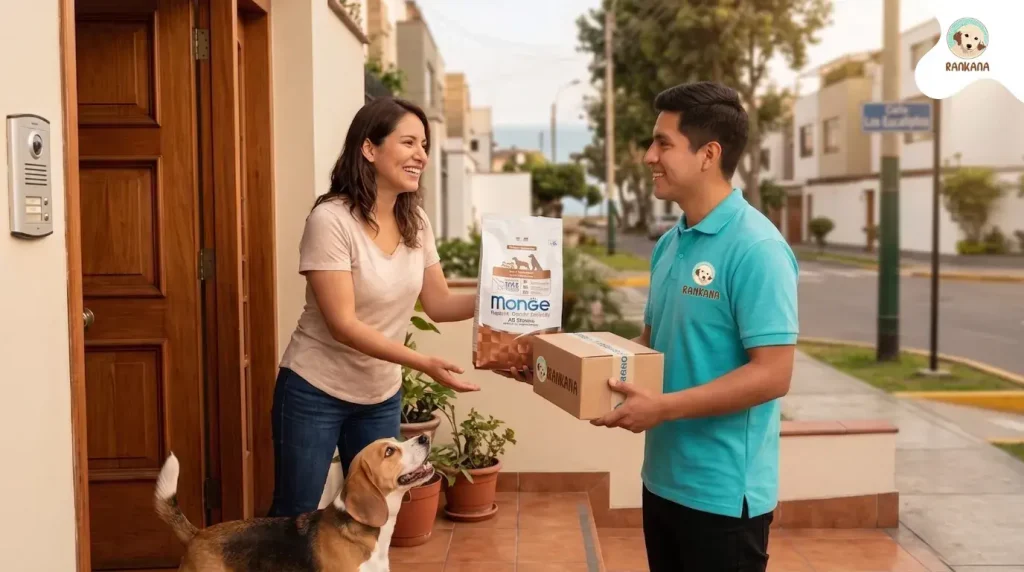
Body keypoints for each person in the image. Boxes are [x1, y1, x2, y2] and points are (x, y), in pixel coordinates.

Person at [511, 82, 798, 571]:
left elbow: (773, 374)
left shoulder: (758, 249)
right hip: (663, 481)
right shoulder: (671, 243)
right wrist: (557, 364)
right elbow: (650, 347)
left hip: (724, 497)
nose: (649, 156)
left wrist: (663, 408)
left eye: (663, 143)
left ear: (709, 154)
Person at [269, 96, 479, 518]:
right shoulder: (331, 221)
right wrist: (422, 362)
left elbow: (438, 304)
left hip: (379, 395)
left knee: (373, 516)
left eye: (424, 144)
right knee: (296, 515)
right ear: (369, 149)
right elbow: (344, 324)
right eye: (408, 143)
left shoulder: (416, 223)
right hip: (315, 389)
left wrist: (504, 298)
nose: (421, 155)